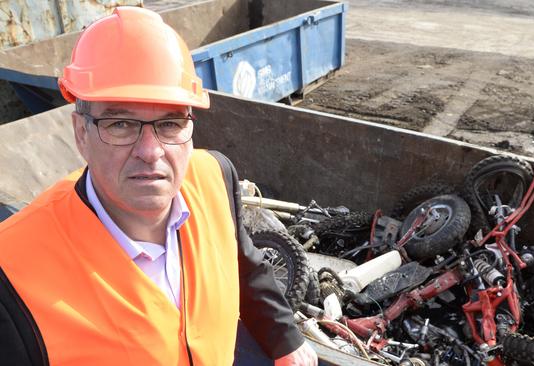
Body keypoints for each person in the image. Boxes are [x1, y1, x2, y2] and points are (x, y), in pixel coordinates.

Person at [0, 6, 317, 366]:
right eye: (120, 124)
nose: (151, 152)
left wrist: (284, 339)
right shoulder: (12, 274)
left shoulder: (214, 178)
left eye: (170, 123)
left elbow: (245, 266)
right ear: (80, 133)